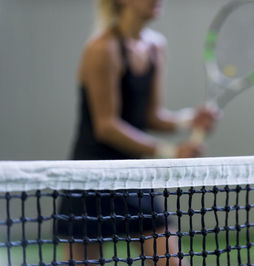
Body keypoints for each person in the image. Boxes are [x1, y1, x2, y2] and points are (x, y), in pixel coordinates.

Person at [56, 0, 218, 264]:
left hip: (133, 178)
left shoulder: (156, 46)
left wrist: (189, 120)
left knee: (171, 261)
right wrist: (170, 152)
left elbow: (149, 116)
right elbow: (106, 126)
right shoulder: (102, 49)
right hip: (89, 180)